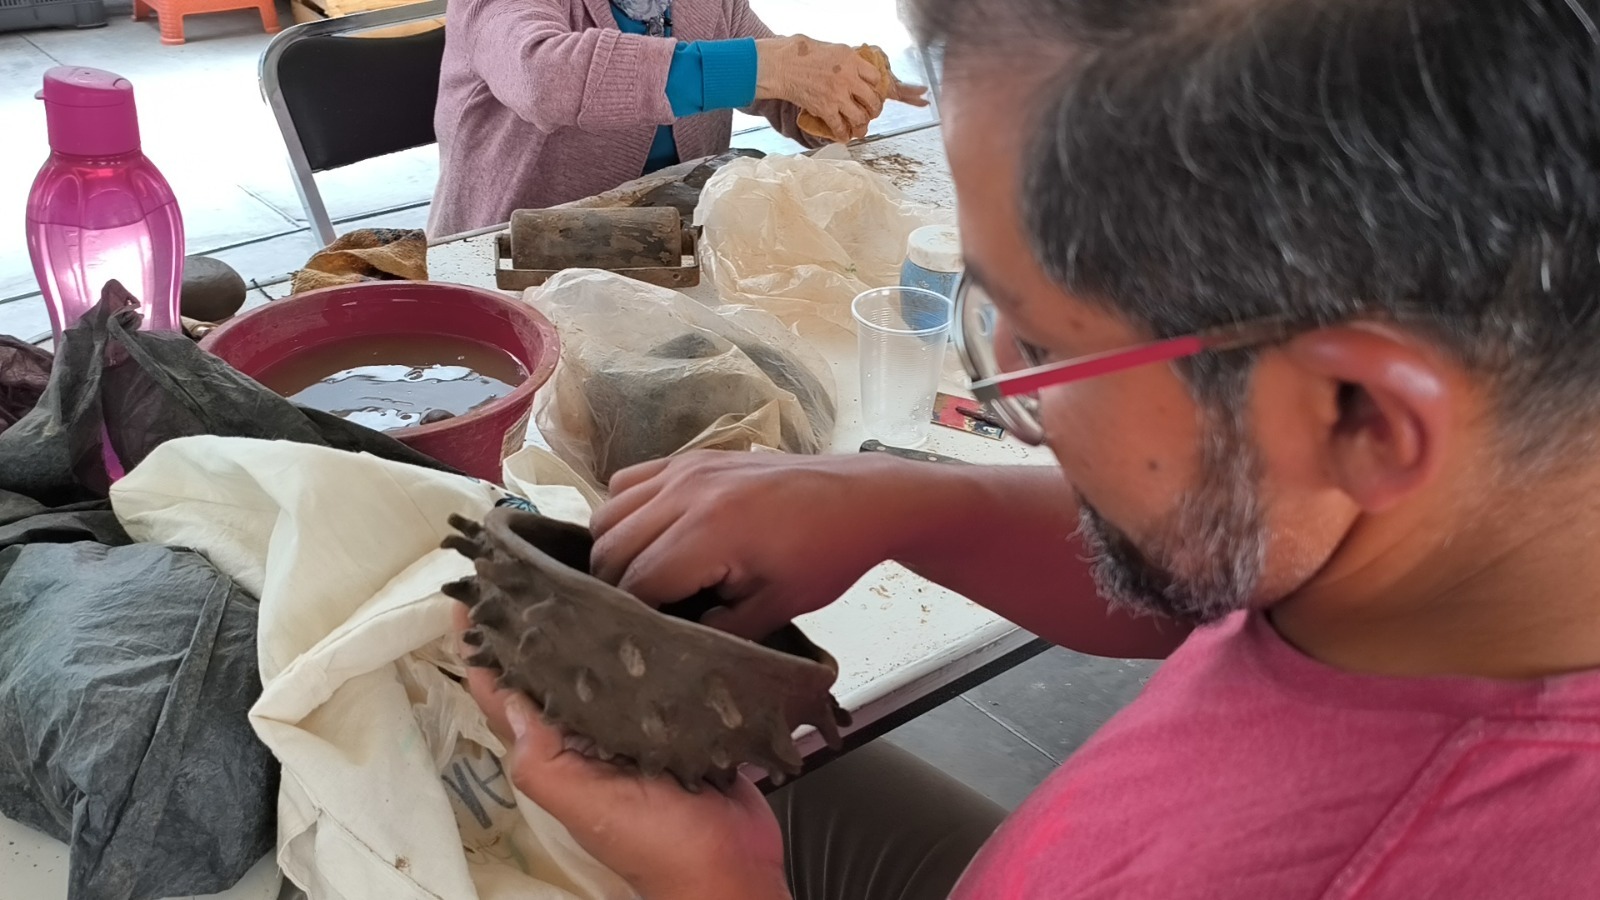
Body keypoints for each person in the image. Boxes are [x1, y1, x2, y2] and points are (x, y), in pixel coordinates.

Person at [459, 0, 1600, 897]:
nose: (1006, 384)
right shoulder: (1461, 526)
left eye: (1042, 342)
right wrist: (903, 502)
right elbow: (1216, 589)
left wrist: (720, 888)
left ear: (1359, 414)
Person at [428, 0, 927, 236]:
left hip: (673, 249)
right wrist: (767, 66)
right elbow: (543, 77)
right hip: (512, 259)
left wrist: (829, 95)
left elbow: (772, 82)